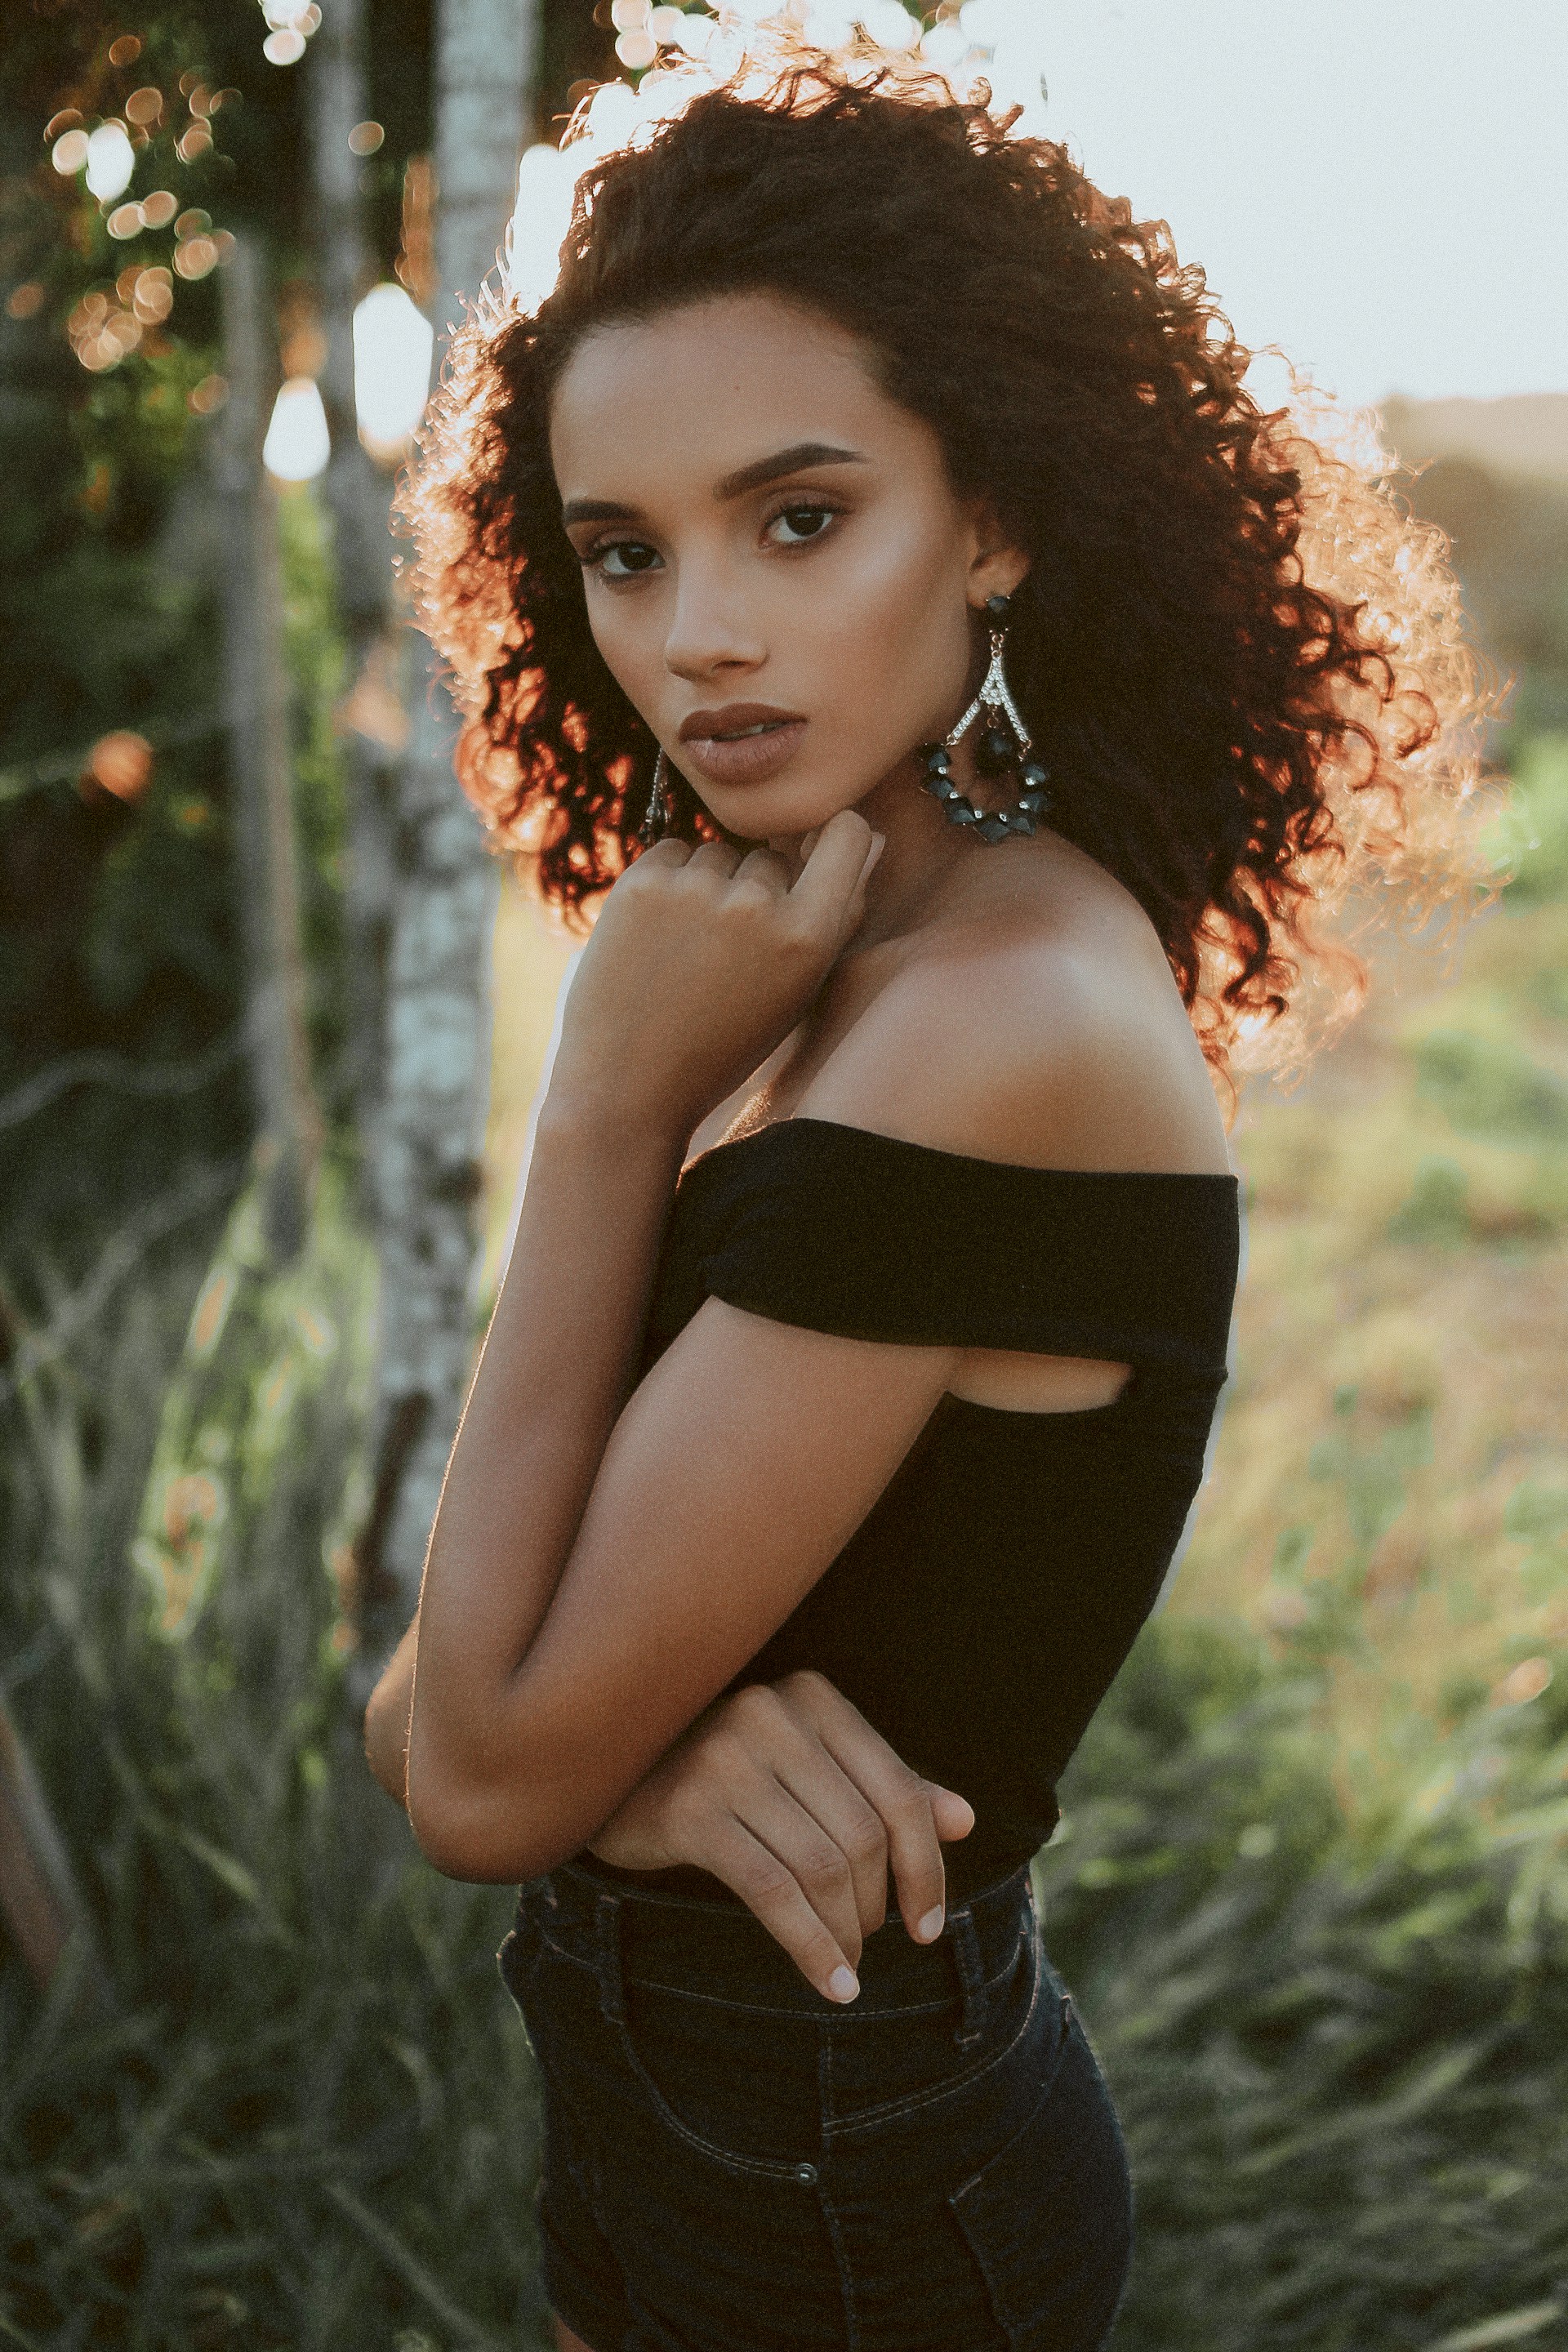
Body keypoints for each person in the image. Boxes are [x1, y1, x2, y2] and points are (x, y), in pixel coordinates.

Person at [363, 41, 1484, 2352]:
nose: (701, 637)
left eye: (801, 517)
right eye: (622, 551)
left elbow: (465, 1762)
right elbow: (453, 1708)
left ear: (992, 518)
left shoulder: (1007, 1025)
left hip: (843, 2182)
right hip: (710, 2108)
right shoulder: (848, 943)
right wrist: (634, 1758)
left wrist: (597, 1116)